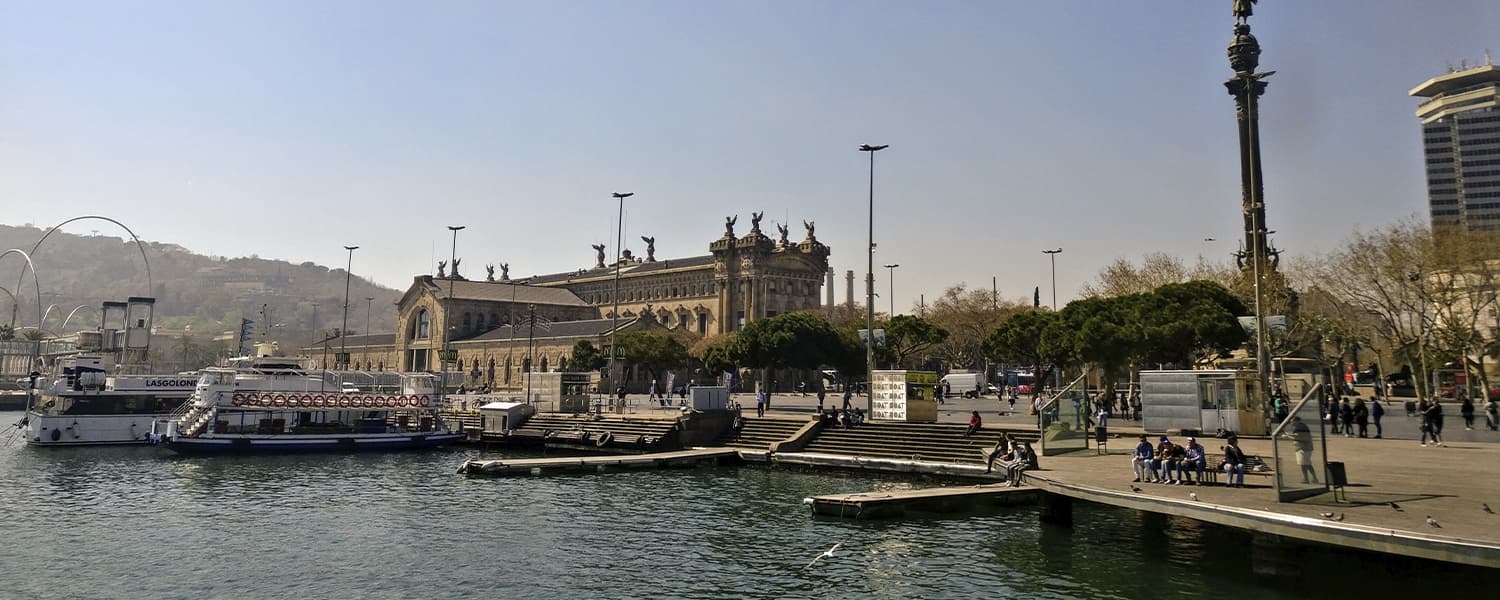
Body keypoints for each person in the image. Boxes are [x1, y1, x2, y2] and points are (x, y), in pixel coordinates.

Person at [1285, 416, 1318, 484]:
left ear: (1296, 421)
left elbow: (1298, 437)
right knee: (1307, 463)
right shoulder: (1302, 426)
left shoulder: (1300, 427)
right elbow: (1297, 435)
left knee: (1303, 464)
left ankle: (1306, 478)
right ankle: (1313, 478)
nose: (1291, 423)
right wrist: (1290, 435)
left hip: (1303, 448)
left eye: (1292, 421)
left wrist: (1287, 437)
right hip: (1306, 448)